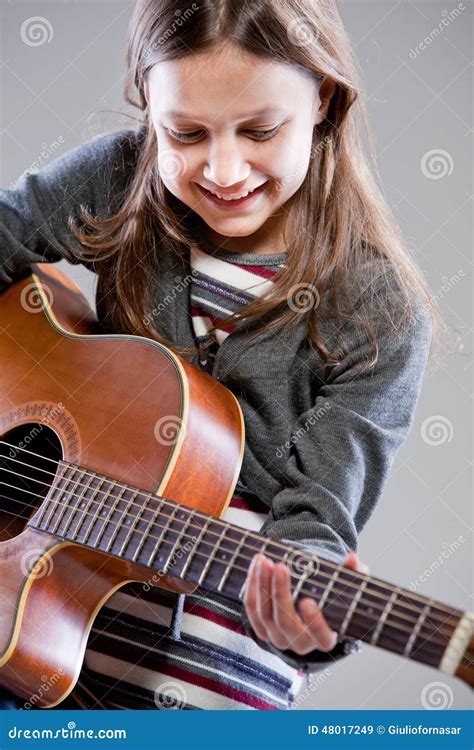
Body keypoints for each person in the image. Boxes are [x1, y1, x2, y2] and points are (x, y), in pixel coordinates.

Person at [0, 0, 438, 710]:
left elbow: (316, 530)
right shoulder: (121, 182)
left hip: (214, 694)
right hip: (31, 643)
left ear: (322, 97)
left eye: (260, 130)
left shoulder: (378, 310)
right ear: (148, 102)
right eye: (186, 133)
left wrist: (307, 620)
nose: (224, 168)